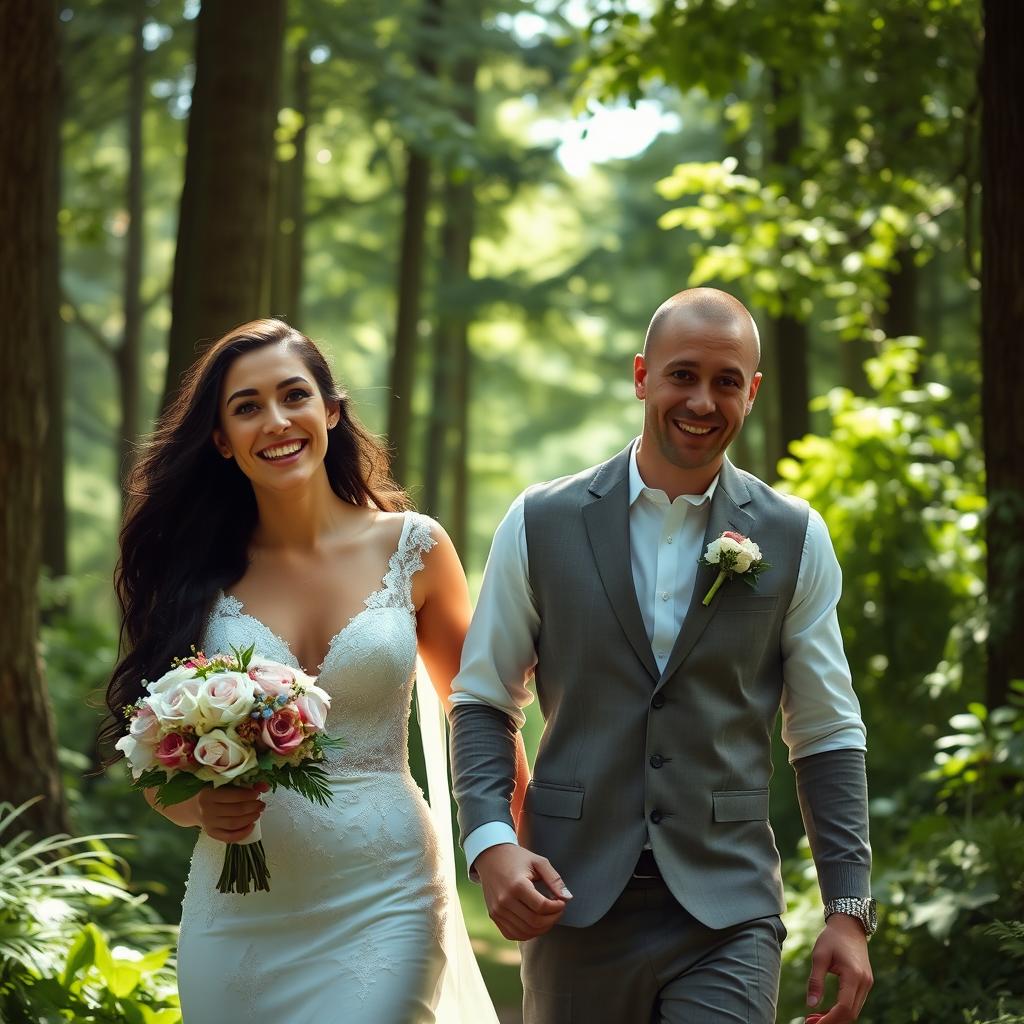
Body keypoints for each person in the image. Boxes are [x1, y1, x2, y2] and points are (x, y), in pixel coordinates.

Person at [449, 287, 875, 1024]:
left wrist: (848, 907)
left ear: (753, 391)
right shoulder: (539, 522)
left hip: (727, 910)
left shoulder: (795, 535)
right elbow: (485, 698)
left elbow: (827, 732)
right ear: (642, 375)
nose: (703, 402)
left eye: (726, 381)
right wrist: (490, 844)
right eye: (682, 375)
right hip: (570, 898)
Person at [102, 318, 516, 1024]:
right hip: (240, 918)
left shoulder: (414, 548)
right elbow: (153, 760)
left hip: (388, 899)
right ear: (221, 441)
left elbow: (480, 714)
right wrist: (199, 805)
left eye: (294, 395)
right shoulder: (190, 574)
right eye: (246, 407)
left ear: (330, 410)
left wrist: (515, 845)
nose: (276, 420)